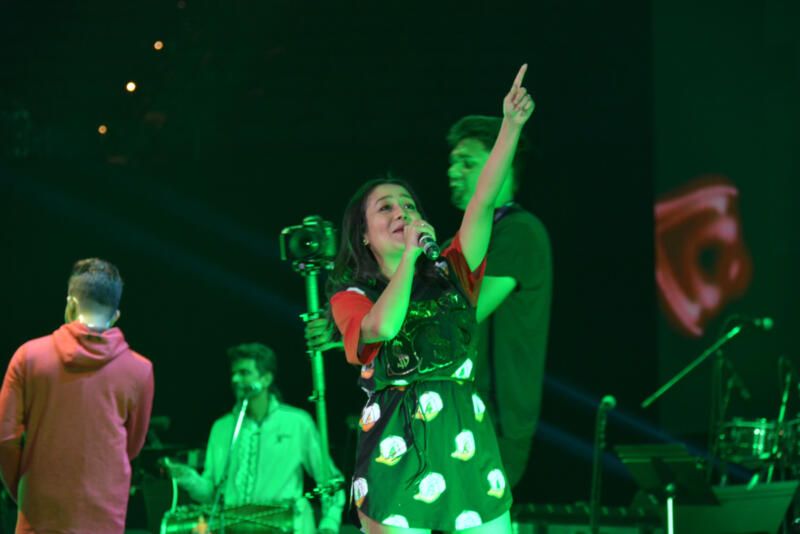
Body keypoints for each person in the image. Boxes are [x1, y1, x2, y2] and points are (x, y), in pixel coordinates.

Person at [327, 65, 534, 533]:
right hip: (395, 455)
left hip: (468, 445)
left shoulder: (452, 272)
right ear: (364, 235)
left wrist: (510, 127)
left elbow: (482, 203)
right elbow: (382, 327)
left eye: (409, 205)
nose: (401, 212)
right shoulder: (351, 296)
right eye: (386, 208)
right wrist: (408, 260)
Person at [0, 258, 155, 534]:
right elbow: (131, 446)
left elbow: (5, 438)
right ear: (115, 316)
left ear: (70, 305)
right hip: (104, 520)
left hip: (39, 519)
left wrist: (24, 492)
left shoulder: (28, 357)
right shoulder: (140, 370)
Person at [446, 115, 552, 488]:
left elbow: (464, 311)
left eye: (467, 163)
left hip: (491, 421)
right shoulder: (463, 241)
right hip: (457, 414)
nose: (452, 172)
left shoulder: (519, 232)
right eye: (453, 162)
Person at [167, 342, 345, 534]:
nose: (235, 379)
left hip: (287, 527)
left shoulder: (297, 423)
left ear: (266, 379)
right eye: (234, 373)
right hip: (233, 529)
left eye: (244, 373)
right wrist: (190, 479)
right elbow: (213, 493)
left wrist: (329, 524)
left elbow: (330, 481)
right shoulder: (221, 428)